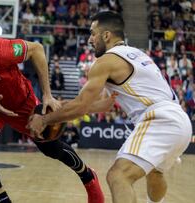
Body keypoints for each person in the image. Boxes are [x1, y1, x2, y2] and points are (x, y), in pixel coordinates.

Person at [0, 11, 109, 203]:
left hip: (21, 104)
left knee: (52, 149)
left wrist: (47, 95)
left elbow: (37, 49)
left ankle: (88, 177)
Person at [27, 11, 192, 203]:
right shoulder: (137, 54)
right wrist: (62, 105)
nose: (90, 39)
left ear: (106, 35)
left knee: (118, 176)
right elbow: (104, 104)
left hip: (159, 120)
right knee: (155, 172)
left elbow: (80, 107)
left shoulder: (106, 61)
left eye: (93, 33)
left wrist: (45, 119)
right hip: (180, 122)